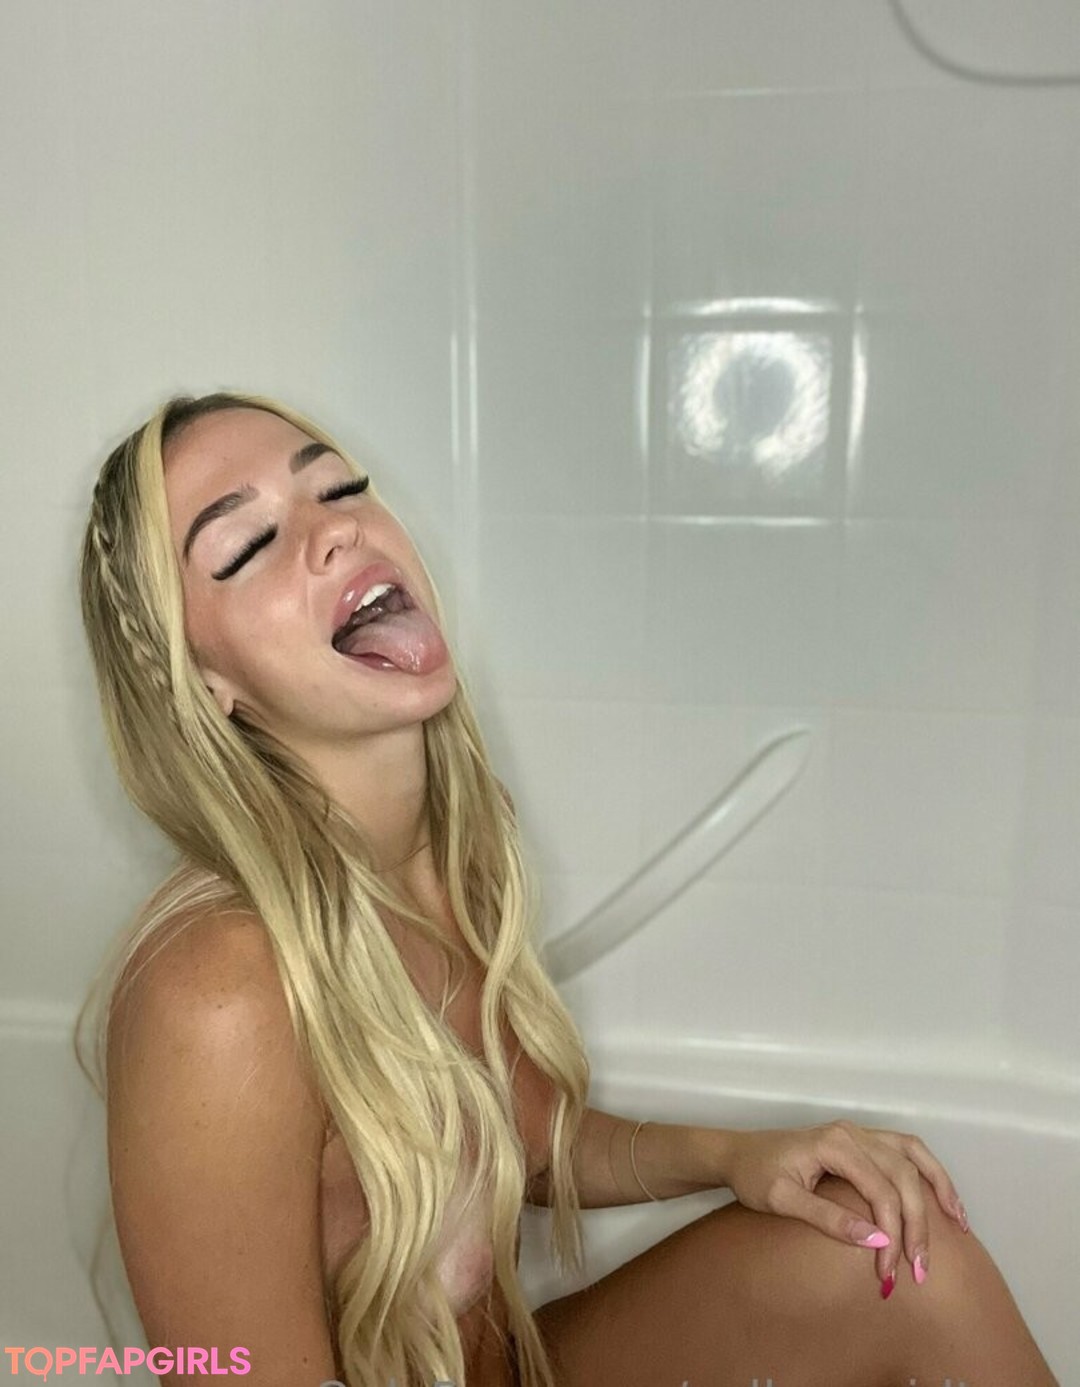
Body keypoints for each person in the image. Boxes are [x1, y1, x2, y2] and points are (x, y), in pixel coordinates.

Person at [75, 391, 1060, 1387]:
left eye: (340, 487)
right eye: (247, 545)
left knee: (904, 1251)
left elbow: (519, 1144)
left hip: (522, 1368)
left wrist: (735, 1154)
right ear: (201, 681)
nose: (336, 529)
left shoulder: (455, 839)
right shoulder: (218, 990)